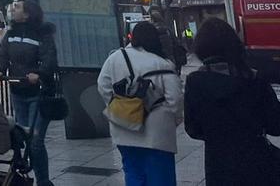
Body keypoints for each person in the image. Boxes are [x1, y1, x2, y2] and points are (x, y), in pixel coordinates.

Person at [184, 18, 280, 186]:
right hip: (257, 161)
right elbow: (276, 125)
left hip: (218, 164)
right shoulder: (254, 79)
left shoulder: (195, 82)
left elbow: (192, 128)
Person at [98, 22, 183, 186]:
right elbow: (175, 98)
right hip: (157, 132)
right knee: (160, 177)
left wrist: (120, 106)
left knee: (133, 173)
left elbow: (103, 85)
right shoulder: (162, 64)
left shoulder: (115, 58)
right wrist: (174, 118)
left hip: (124, 128)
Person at [0, 0, 57, 186]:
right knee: (21, 136)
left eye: (18, 7)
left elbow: (49, 58)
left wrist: (39, 73)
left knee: (35, 140)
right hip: (18, 90)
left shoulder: (42, 35)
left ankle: (43, 181)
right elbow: (3, 54)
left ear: (28, 13)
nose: (13, 9)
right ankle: (22, 176)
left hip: (38, 92)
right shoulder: (10, 34)